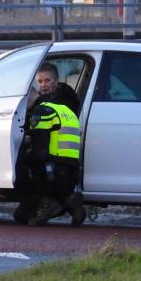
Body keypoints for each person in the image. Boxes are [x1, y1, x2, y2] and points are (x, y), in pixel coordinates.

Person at [13, 63, 86, 227]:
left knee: (19, 174)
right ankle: (69, 200)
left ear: (56, 81)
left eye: (47, 80)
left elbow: (40, 148)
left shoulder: (45, 110)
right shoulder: (67, 107)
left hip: (52, 169)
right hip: (70, 171)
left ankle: (48, 203)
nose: (43, 85)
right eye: (40, 81)